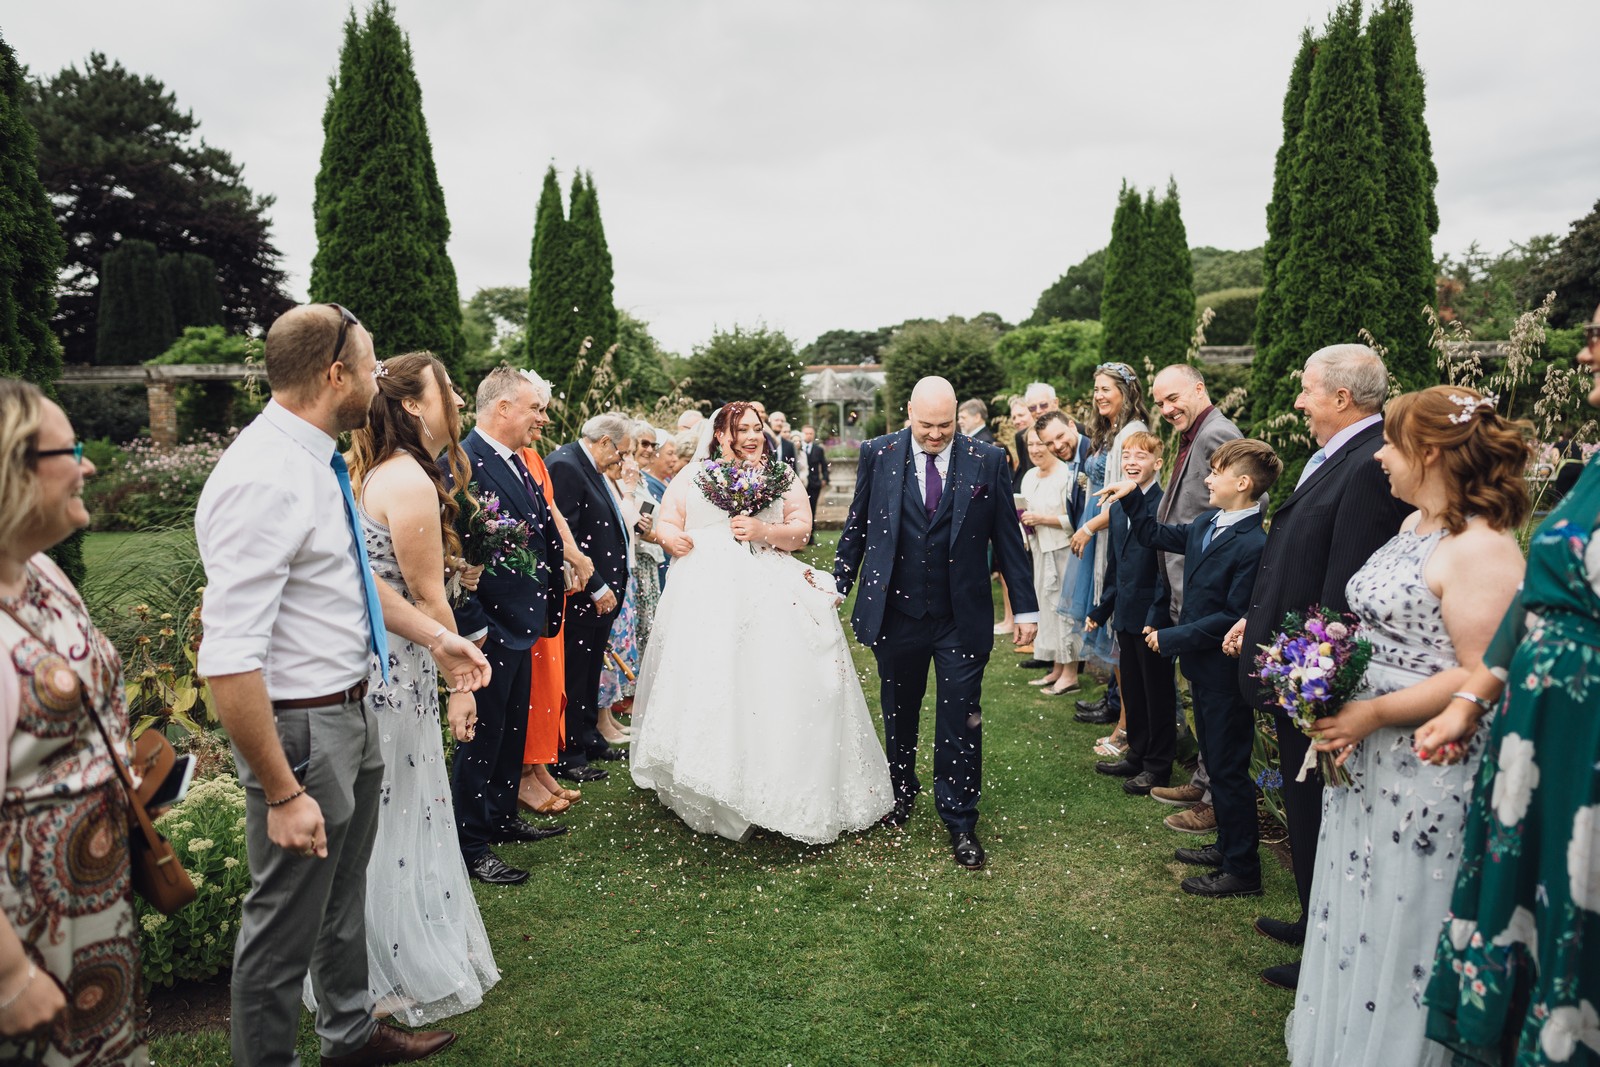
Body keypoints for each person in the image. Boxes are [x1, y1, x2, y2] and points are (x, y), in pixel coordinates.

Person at [195, 303, 489, 1067]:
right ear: (334, 375)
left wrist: (440, 639)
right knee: (280, 923)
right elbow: (228, 657)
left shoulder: (319, 459)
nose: (377, 375)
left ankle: (351, 1037)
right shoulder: (263, 477)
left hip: (354, 708)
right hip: (301, 728)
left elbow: (357, 586)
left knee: (342, 899)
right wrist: (283, 789)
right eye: (368, 363)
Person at [1283, 386, 1528, 1066]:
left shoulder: (1483, 550)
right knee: (1356, 915)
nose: (1380, 457)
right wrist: (1328, 676)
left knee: (1404, 922)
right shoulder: (1413, 527)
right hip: (1368, 767)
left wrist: (1374, 710)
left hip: (1426, 768)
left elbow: (1485, 670)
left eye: (1391, 444)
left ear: (1429, 452)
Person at [1417, 305, 1600, 1064]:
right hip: (1537, 728)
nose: (1587, 352)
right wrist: (1472, 697)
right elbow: (1536, 598)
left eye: (1597, 334)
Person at [1223, 344, 1410, 991]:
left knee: (1319, 808)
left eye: (1306, 390)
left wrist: (1317, 674)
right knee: (1305, 808)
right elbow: (1295, 552)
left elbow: (1345, 579)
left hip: (1317, 670)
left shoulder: (1367, 465)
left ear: (1341, 397)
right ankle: (1312, 915)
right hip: (1290, 650)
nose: (1298, 401)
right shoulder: (1329, 456)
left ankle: (1325, 940)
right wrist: (1260, 614)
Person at [630, 403, 893, 842]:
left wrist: (762, 531)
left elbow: (801, 531)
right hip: (706, 595)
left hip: (769, 589)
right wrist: (671, 537)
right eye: (742, 429)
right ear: (719, 435)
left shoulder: (780, 475)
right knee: (715, 683)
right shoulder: (695, 475)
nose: (753, 436)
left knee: (771, 682)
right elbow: (667, 522)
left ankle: (777, 781)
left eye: (756, 428)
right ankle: (717, 782)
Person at [331, 351, 500, 1023]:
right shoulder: (407, 480)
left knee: (398, 808)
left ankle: (387, 954)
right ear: (412, 405)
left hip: (390, 665)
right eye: (447, 390)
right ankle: (386, 967)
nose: (456, 398)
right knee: (398, 812)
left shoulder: (390, 474)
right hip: (397, 673)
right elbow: (429, 598)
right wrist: (462, 680)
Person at [834, 376, 1038, 870]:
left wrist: (1026, 609)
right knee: (899, 709)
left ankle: (961, 819)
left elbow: (1008, 539)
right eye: (926, 425)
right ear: (909, 413)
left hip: (960, 617)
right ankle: (900, 794)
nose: (935, 434)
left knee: (961, 717)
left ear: (957, 420)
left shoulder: (987, 460)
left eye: (945, 425)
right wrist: (839, 584)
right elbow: (858, 523)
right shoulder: (878, 454)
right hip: (897, 612)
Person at [0, 379, 143, 1066]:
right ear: (14, 467)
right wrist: (8, 978)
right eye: (73, 449)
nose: (88, 466)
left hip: (93, 908)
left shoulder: (43, 575)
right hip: (27, 929)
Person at [1103, 438, 1283, 898]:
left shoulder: (1254, 543)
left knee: (1227, 767)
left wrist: (1171, 637)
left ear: (1242, 484)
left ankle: (1243, 869)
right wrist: (1135, 496)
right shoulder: (1207, 522)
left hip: (1224, 671)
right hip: (1201, 668)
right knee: (1218, 762)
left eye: (1216, 472)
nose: (1206, 478)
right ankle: (1225, 847)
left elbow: (1230, 616)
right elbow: (1156, 536)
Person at [450, 366, 568, 887]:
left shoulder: (518, 462)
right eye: (533, 408)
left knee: (509, 733)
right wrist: (475, 629)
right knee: (481, 741)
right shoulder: (463, 464)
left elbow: (537, 529)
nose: (541, 417)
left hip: (524, 622)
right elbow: (452, 557)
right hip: (489, 629)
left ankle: (501, 816)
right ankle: (471, 845)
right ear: (502, 409)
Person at [1145, 365, 1245, 832]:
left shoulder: (1217, 433)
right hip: (1186, 584)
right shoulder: (1196, 433)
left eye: (1174, 398)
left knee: (1212, 695)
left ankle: (1212, 798)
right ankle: (1203, 779)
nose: (1167, 410)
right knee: (1198, 691)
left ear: (1200, 389)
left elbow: (1245, 505)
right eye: (1160, 402)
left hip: (1206, 590)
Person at [513, 370, 593, 817]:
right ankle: (525, 772)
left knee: (551, 683)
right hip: (527, 593)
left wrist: (574, 555)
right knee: (536, 683)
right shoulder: (510, 460)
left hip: (548, 591)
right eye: (537, 409)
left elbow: (552, 514)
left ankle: (539, 765)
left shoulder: (535, 459)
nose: (543, 418)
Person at [1062, 364, 1151, 741]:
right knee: (1112, 634)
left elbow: (1125, 495)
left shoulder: (1133, 433)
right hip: (1102, 535)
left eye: (1106, 389)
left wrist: (1088, 527)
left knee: (1118, 633)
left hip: (1111, 536)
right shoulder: (1113, 431)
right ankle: (1122, 715)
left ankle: (1126, 727)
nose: (1099, 395)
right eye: (1096, 388)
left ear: (1126, 391)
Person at [547, 414, 634, 783]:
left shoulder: (589, 465)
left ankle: (590, 737)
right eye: (621, 452)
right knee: (575, 675)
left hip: (600, 595)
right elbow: (569, 538)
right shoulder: (566, 466)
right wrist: (597, 585)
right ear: (603, 441)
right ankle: (569, 753)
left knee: (591, 672)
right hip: (583, 595)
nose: (622, 461)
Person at [1085, 430, 1173, 796]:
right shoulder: (1120, 506)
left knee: (1157, 692)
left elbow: (1165, 567)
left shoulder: (1161, 505)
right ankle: (1136, 753)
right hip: (1124, 610)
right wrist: (1103, 606)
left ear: (1158, 462)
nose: (1132, 462)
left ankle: (1158, 765)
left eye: (1141, 455)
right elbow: (1115, 563)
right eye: (1127, 456)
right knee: (1133, 690)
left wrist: (1157, 614)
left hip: (1152, 616)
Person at [1019, 423, 1081, 696]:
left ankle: (1070, 674)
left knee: (1065, 611)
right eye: (1030, 445)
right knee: (1047, 611)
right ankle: (1056, 667)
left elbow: (1076, 519)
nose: (1034, 450)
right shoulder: (1030, 476)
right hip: (1039, 550)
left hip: (1064, 551)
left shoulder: (1066, 475)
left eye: (1039, 444)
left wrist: (1042, 519)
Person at [801, 424, 830, 543]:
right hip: (801, 483)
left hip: (814, 484)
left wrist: (825, 479)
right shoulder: (797, 448)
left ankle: (810, 537)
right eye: (806, 433)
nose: (808, 436)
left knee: (812, 510)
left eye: (810, 433)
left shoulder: (818, 450)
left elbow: (824, 465)